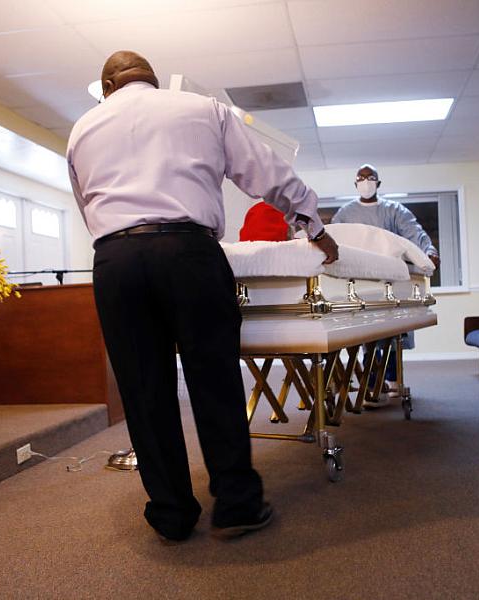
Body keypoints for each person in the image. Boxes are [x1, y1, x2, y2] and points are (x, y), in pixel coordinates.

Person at [67, 51, 339, 543]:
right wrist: (312, 224)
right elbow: (266, 173)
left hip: (115, 261)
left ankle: (171, 512)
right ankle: (236, 504)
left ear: (106, 86)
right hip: (187, 252)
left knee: (143, 390)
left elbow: (86, 201)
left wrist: (122, 244)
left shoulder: (83, 128)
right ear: (152, 78)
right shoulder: (200, 108)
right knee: (213, 378)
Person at [331, 164, 438, 408]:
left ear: (378, 183)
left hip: (389, 279)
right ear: (355, 183)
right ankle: (371, 383)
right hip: (358, 280)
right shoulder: (345, 214)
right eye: (361, 178)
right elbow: (333, 237)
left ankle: (391, 379)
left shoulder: (394, 210)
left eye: (370, 178)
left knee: (390, 331)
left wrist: (429, 251)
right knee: (366, 333)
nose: (366, 181)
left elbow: (414, 234)